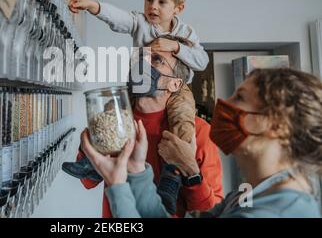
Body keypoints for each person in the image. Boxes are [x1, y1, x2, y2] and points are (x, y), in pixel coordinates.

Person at [81, 68, 322, 218]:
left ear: (277, 125)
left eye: (239, 98)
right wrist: (135, 171)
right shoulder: (245, 197)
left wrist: (118, 186)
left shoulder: (271, 213)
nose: (222, 103)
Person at [62, 0, 208, 212]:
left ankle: (172, 178)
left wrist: (176, 46)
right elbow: (118, 18)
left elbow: (201, 60)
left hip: (179, 90)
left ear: (178, 8)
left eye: (162, 1)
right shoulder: (140, 22)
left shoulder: (186, 33)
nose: (153, 6)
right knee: (111, 113)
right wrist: (93, 6)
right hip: (139, 85)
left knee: (183, 121)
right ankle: (91, 162)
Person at [65, 36, 224, 217]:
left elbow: (210, 209)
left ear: (175, 83)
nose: (143, 64)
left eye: (157, 60)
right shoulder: (113, 121)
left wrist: (190, 171)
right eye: (142, 57)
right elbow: (87, 181)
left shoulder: (199, 131)